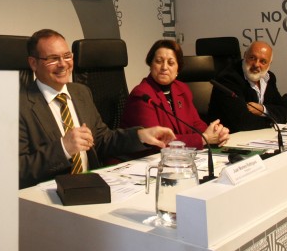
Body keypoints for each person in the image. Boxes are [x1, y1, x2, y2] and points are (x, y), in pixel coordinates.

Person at [19, 29, 175, 189]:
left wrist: (140, 135)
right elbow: (19, 169)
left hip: (92, 187)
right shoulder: (18, 106)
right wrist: (63, 148)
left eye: (67, 56)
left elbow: (102, 140)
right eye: (53, 59)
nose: (63, 64)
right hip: (49, 195)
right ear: (33, 63)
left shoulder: (80, 92)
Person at [120, 38, 229, 149]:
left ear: (178, 69)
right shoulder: (142, 95)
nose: (164, 67)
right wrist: (204, 139)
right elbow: (156, 142)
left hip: (178, 156)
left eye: (171, 63)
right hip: (145, 159)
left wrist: (215, 133)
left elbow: (195, 123)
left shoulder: (181, 88)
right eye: (158, 61)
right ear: (150, 65)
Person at [207, 41, 287, 131]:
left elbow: (284, 112)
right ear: (245, 55)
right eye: (252, 58)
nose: (256, 64)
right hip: (230, 138)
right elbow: (242, 122)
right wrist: (272, 121)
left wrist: (262, 109)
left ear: (269, 64)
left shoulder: (269, 77)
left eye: (263, 61)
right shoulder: (228, 78)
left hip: (258, 137)